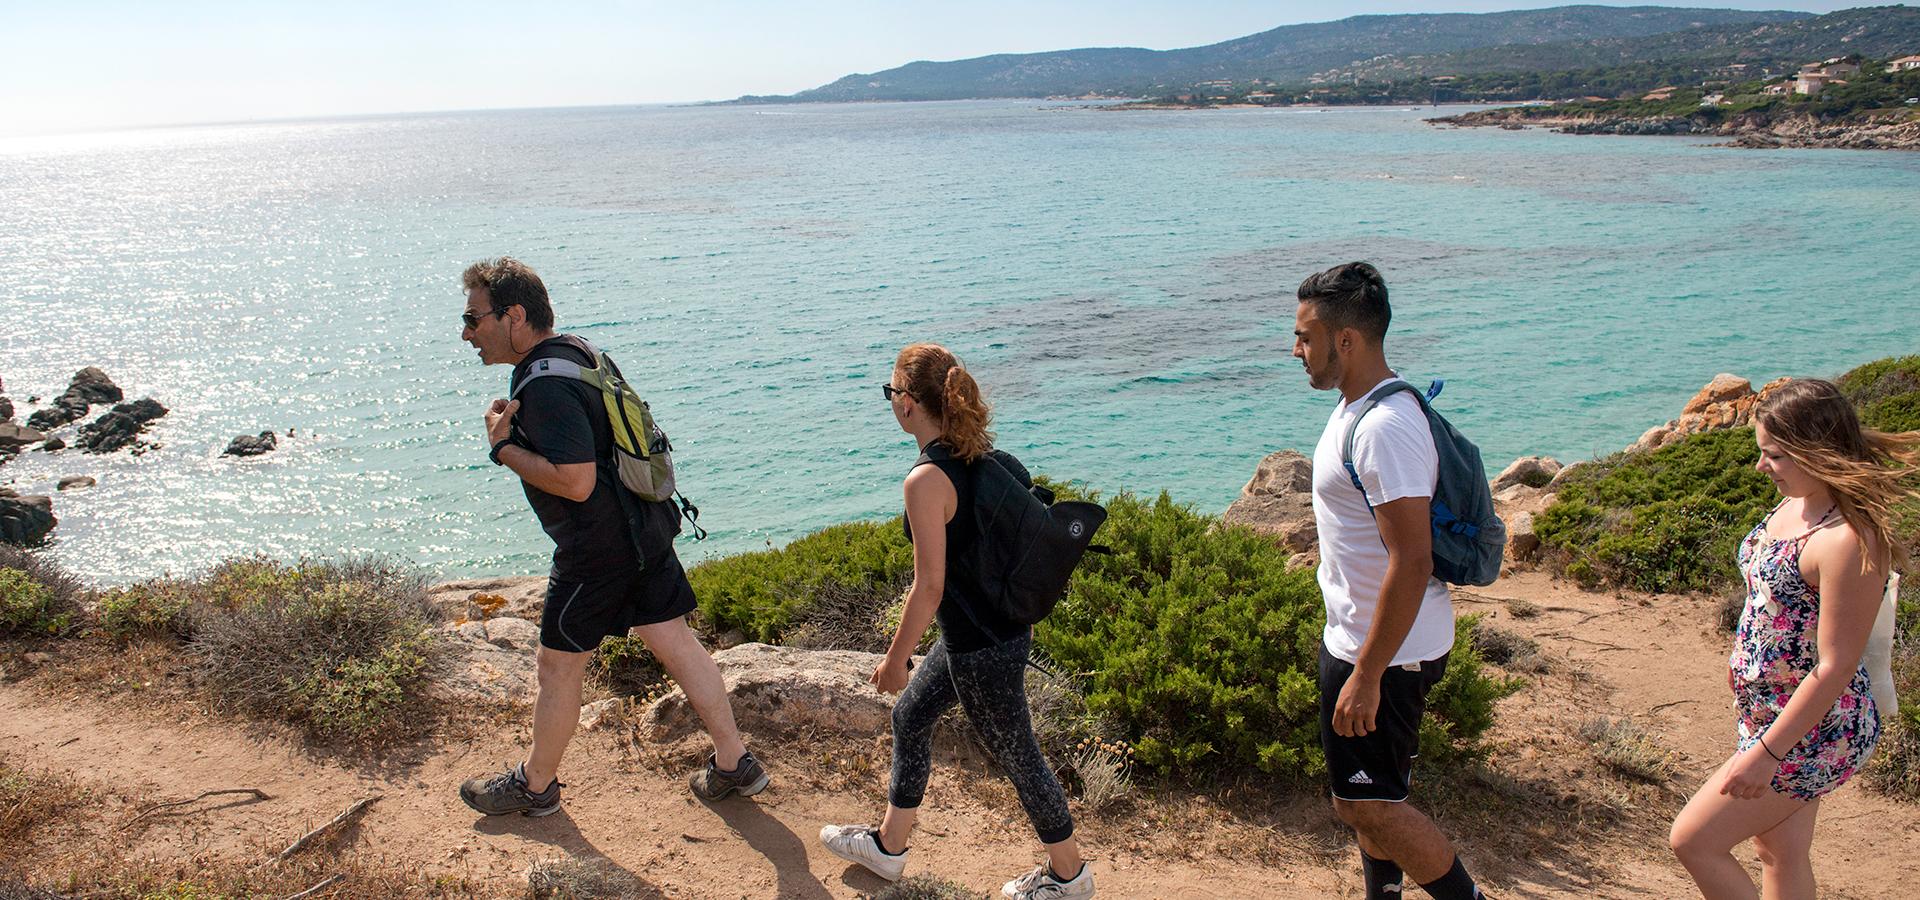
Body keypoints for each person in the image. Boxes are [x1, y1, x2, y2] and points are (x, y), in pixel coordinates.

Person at [455, 257, 766, 817]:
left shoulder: (543, 387)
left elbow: (576, 482)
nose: (466, 332)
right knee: (674, 640)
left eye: (473, 317)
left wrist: (502, 449)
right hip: (644, 527)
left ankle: (536, 785)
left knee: (558, 665)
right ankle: (733, 761)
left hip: (596, 550)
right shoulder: (578, 353)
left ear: (514, 315)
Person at [819, 343, 1094, 899]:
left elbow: (930, 585)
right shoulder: (979, 453)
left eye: (891, 390)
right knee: (912, 716)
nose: (890, 401)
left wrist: (895, 657)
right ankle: (889, 848)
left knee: (1020, 758)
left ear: (907, 405)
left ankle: (1070, 877)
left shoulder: (925, 481)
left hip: (981, 649)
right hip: (990, 633)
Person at [1670, 378, 1915, 899]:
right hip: (1769, 716)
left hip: (1813, 731)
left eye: (1775, 456)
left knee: (1694, 841)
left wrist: (1766, 755)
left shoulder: (1848, 539)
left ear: (1816, 451)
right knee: (1778, 851)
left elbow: (1836, 665)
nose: (1762, 467)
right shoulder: (1798, 504)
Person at [1292, 262, 1488, 900]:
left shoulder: (1385, 428)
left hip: (1387, 655)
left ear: (1346, 340)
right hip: (1359, 638)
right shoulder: (1358, 407)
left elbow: (1414, 560)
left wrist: (1368, 673)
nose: (1296, 350)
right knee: (1370, 797)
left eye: (1305, 337)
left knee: (1369, 807)